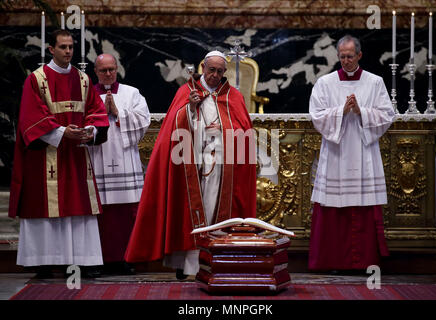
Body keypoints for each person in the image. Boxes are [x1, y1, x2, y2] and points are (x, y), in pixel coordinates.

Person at [125, 50, 256, 279]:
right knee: (190, 212)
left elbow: (244, 131)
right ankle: (188, 264)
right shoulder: (186, 92)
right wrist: (190, 109)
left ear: (225, 73)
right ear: (203, 67)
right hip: (191, 165)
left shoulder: (233, 96)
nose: (215, 75)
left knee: (217, 212)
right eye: (211, 70)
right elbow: (173, 128)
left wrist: (225, 134)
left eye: (219, 71)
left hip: (223, 167)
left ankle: (217, 262)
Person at [8, 29, 109, 278]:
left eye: (71, 47)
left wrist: (90, 131)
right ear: (51, 50)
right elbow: (30, 117)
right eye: (63, 47)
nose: (68, 51)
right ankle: (44, 262)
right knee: (45, 206)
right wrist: (63, 132)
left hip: (75, 156)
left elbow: (97, 111)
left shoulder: (83, 80)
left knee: (78, 206)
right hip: (45, 156)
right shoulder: (36, 79)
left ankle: (82, 261)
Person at [308, 35, 395, 272]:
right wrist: (340, 111)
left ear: (359, 55)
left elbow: (387, 115)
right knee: (333, 206)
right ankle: (331, 261)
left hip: (363, 151)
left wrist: (361, 112)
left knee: (362, 204)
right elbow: (316, 115)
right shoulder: (325, 83)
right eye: (342, 56)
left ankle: (364, 262)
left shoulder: (374, 82)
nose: (346, 61)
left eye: (350, 56)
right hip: (336, 153)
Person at [88, 53, 150, 275]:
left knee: (126, 213)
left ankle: (125, 258)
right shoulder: (86, 93)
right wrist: (99, 120)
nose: (108, 74)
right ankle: (99, 260)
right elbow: (78, 122)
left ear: (117, 68)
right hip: (97, 159)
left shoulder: (131, 93)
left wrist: (118, 113)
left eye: (111, 69)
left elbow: (144, 119)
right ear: (95, 71)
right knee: (99, 213)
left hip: (125, 161)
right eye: (103, 70)